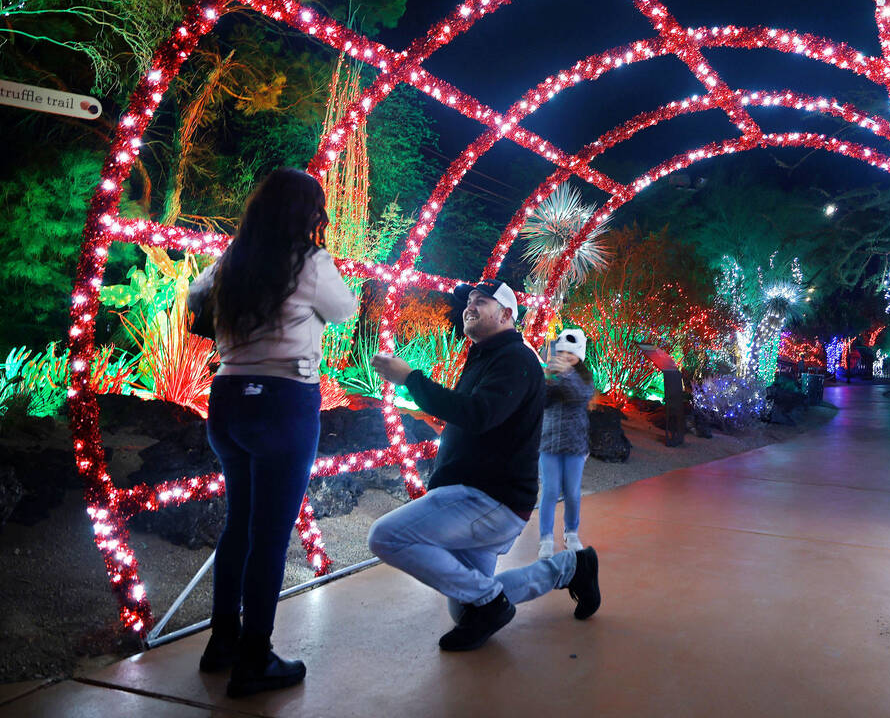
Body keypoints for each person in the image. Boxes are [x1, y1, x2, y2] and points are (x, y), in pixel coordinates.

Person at [187, 167, 357, 698]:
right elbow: (346, 310)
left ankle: (223, 644)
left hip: (227, 400)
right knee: (270, 535)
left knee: (239, 524)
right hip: (284, 401)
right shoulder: (308, 261)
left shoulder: (231, 259)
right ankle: (255, 659)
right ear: (308, 213)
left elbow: (196, 298)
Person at [369, 279, 601, 652]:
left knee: (386, 536)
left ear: (507, 314)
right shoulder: (486, 356)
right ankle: (572, 568)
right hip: (483, 495)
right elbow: (474, 418)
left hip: (488, 498)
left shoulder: (515, 359)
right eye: (468, 301)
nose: (470, 306)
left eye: (482, 301)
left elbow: (478, 415)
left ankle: (491, 602)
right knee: (467, 609)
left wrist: (410, 379)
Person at [536, 328, 595, 559]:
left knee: (572, 492)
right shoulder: (551, 376)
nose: (565, 356)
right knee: (549, 492)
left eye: (570, 353)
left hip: (575, 446)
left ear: (579, 355)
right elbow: (542, 402)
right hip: (549, 444)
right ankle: (546, 539)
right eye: (561, 352)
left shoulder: (584, 378)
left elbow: (579, 396)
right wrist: (549, 380)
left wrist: (567, 374)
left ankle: (571, 533)